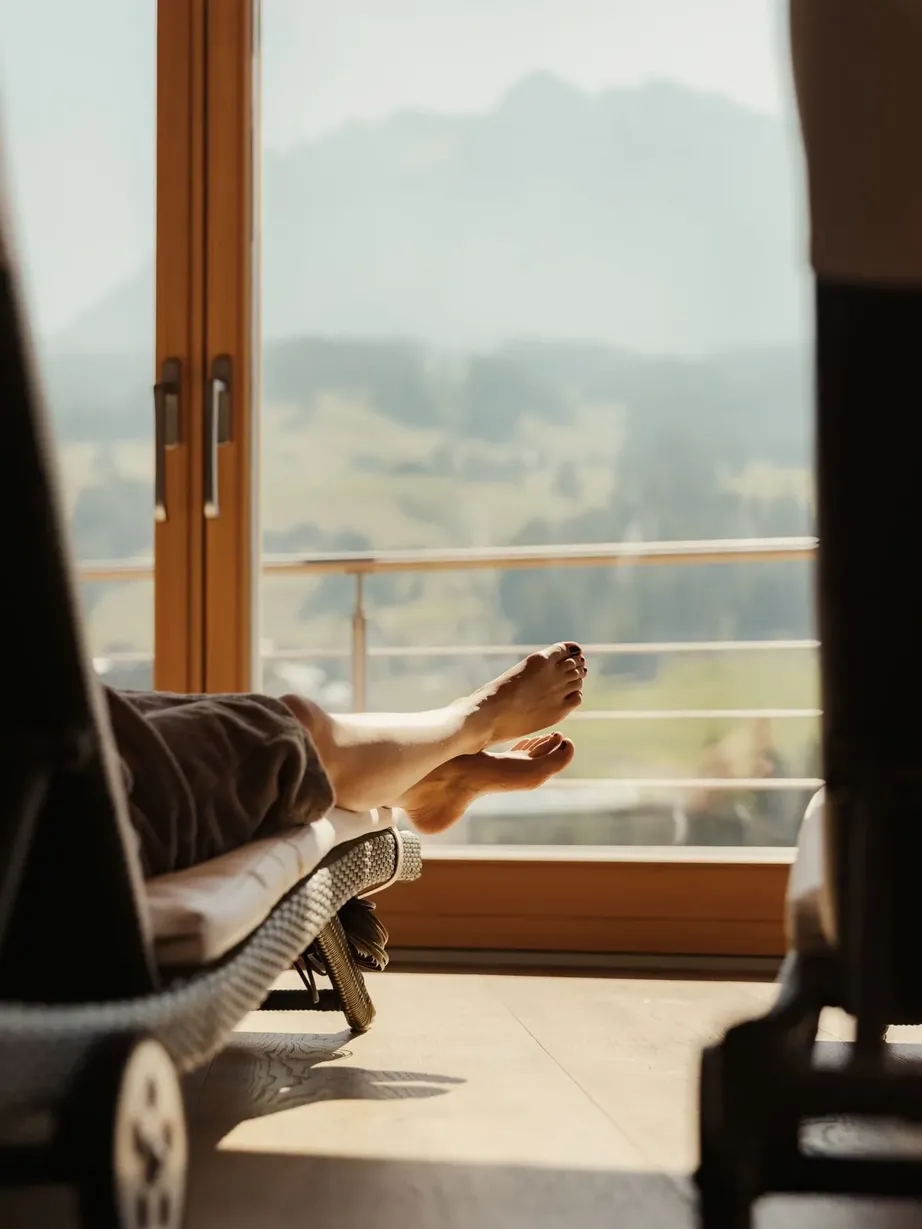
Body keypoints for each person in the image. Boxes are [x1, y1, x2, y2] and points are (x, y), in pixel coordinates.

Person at [106, 642, 587, 877]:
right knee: (281, 738)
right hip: (74, 799)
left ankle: (431, 781)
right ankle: (470, 724)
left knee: (162, 715)